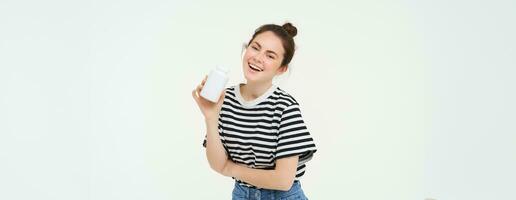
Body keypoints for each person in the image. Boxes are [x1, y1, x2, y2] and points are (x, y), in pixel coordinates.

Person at [192, 22, 317, 200]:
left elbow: (283, 180)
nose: (258, 58)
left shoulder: (285, 107)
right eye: (255, 48)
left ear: (281, 69)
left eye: (270, 55)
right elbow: (217, 164)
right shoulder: (224, 100)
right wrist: (210, 117)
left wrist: (231, 168)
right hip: (241, 194)